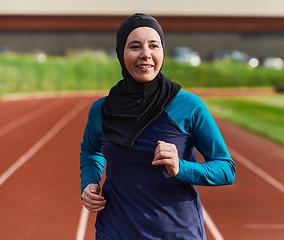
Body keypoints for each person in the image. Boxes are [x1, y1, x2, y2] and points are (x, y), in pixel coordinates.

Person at [80, 13, 236, 240]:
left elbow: (226, 169)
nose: (146, 54)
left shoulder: (189, 106)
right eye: (134, 46)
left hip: (176, 233)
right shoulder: (101, 110)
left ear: (162, 51)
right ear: (120, 53)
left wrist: (181, 168)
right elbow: (91, 150)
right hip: (115, 231)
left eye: (154, 45)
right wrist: (90, 181)